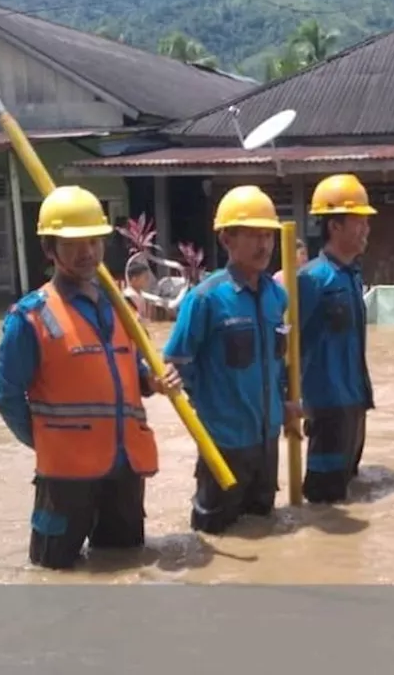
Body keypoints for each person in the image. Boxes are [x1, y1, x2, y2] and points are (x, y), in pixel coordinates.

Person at [0, 185, 181, 570]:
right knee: (54, 577)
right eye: (73, 243)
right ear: (49, 249)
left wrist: (153, 382)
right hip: (65, 478)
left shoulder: (121, 310)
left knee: (124, 568)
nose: (87, 252)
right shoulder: (31, 317)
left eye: (93, 241)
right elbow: (5, 395)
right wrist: (46, 442)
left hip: (124, 469)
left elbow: (131, 373)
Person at [163, 185, 297, 534]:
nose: (264, 245)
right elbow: (175, 365)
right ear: (226, 240)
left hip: (267, 442)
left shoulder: (277, 296)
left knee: (263, 532)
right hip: (223, 444)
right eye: (253, 235)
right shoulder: (206, 299)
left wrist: (287, 406)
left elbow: (278, 364)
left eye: (267, 235)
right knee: (215, 536)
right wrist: (210, 410)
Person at [295, 174, 376, 503]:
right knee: (324, 502)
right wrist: (289, 401)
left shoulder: (352, 275)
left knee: (349, 492)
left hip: (355, 401)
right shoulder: (312, 278)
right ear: (335, 227)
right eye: (359, 222)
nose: (366, 229)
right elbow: (287, 342)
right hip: (326, 405)